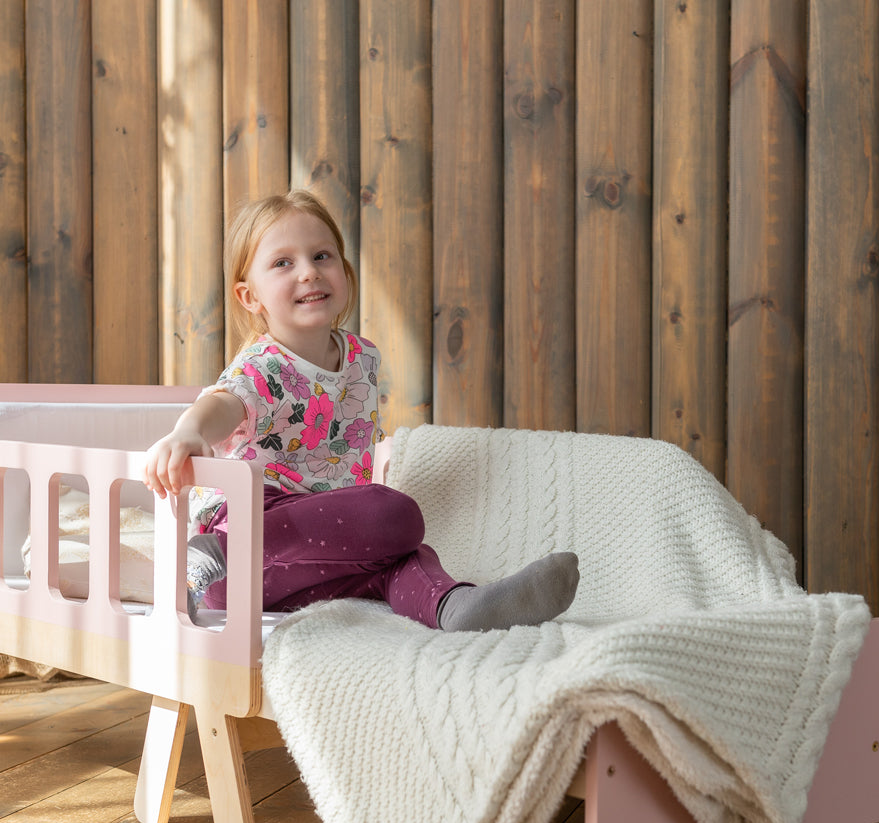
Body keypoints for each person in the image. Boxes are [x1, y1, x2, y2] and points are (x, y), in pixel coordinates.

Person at [143, 189, 579, 631]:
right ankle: (214, 550)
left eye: (322, 256)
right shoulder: (264, 365)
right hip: (239, 558)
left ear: (345, 271)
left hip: (317, 562)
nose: (309, 272)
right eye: (283, 263)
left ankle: (454, 606)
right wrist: (189, 431)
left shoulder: (361, 358)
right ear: (249, 296)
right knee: (391, 514)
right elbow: (224, 402)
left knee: (400, 557)